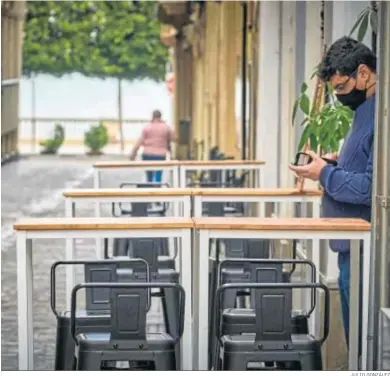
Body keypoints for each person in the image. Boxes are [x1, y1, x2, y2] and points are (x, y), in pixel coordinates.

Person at [289, 36, 376, 348]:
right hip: (350, 250)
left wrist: (324, 172)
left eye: (340, 88)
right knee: (357, 344)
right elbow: (363, 168)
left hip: (368, 254)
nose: (339, 96)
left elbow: (371, 189)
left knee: (365, 348)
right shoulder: (364, 110)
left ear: (363, 73)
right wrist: (332, 165)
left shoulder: (380, 116)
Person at [130, 110, 176, 183]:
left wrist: (133, 153)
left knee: (149, 175)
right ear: (160, 117)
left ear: (152, 116)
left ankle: (150, 186)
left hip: (147, 154)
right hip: (160, 155)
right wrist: (171, 154)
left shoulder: (147, 127)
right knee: (158, 174)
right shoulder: (166, 128)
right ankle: (157, 187)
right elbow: (171, 140)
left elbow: (139, 141)